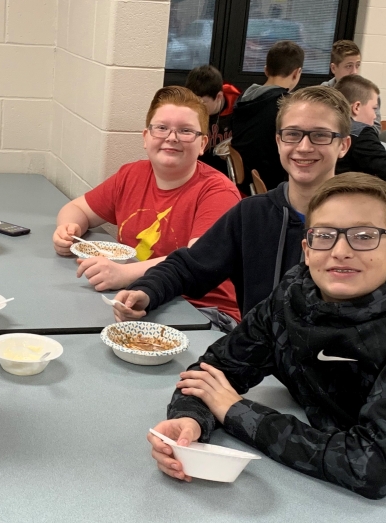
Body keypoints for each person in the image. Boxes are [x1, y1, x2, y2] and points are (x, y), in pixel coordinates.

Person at [147, 172, 386, 523]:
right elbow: (213, 372)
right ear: (307, 248)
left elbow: (374, 466)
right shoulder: (293, 296)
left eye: (364, 236)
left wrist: (235, 411)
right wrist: (191, 423)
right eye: (324, 235)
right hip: (315, 484)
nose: (340, 250)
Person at [113, 85, 351, 322]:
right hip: (255, 354)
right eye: (292, 134)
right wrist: (146, 292)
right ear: (279, 141)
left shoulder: (364, 224)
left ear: (343, 145)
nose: (304, 147)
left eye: (320, 135)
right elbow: (190, 266)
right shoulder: (251, 214)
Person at [52, 86, 243, 328]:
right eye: (161, 128)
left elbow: (196, 261)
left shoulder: (217, 192)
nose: (171, 138)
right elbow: (76, 210)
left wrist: (123, 274)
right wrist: (68, 230)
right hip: (142, 296)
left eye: (185, 131)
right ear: (146, 137)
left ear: (203, 143)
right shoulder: (131, 175)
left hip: (203, 312)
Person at [231, 40, 303, 194]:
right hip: (273, 185)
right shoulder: (285, 107)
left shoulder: (243, 99)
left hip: (247, 184)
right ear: (297, 73)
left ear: (266, 70)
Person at [335, 75, 386, 191]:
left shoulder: (326, 127)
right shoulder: (362, 135)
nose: (375, 116)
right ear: (356, 107)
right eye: (374, 108)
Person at [184, 65, 241, 178]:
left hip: (226, 173)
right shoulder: (186, 107)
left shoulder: (239, 110)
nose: (197, 107)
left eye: (203, 103)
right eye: (193, 101)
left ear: (219, 96)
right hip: (195, 170)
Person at [321, 39, 382, 132]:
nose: (354, 72)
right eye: (349, 66)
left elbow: (375, 129)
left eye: (357, 65)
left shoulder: (369, 94)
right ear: (333, 68)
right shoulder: (323, 92)